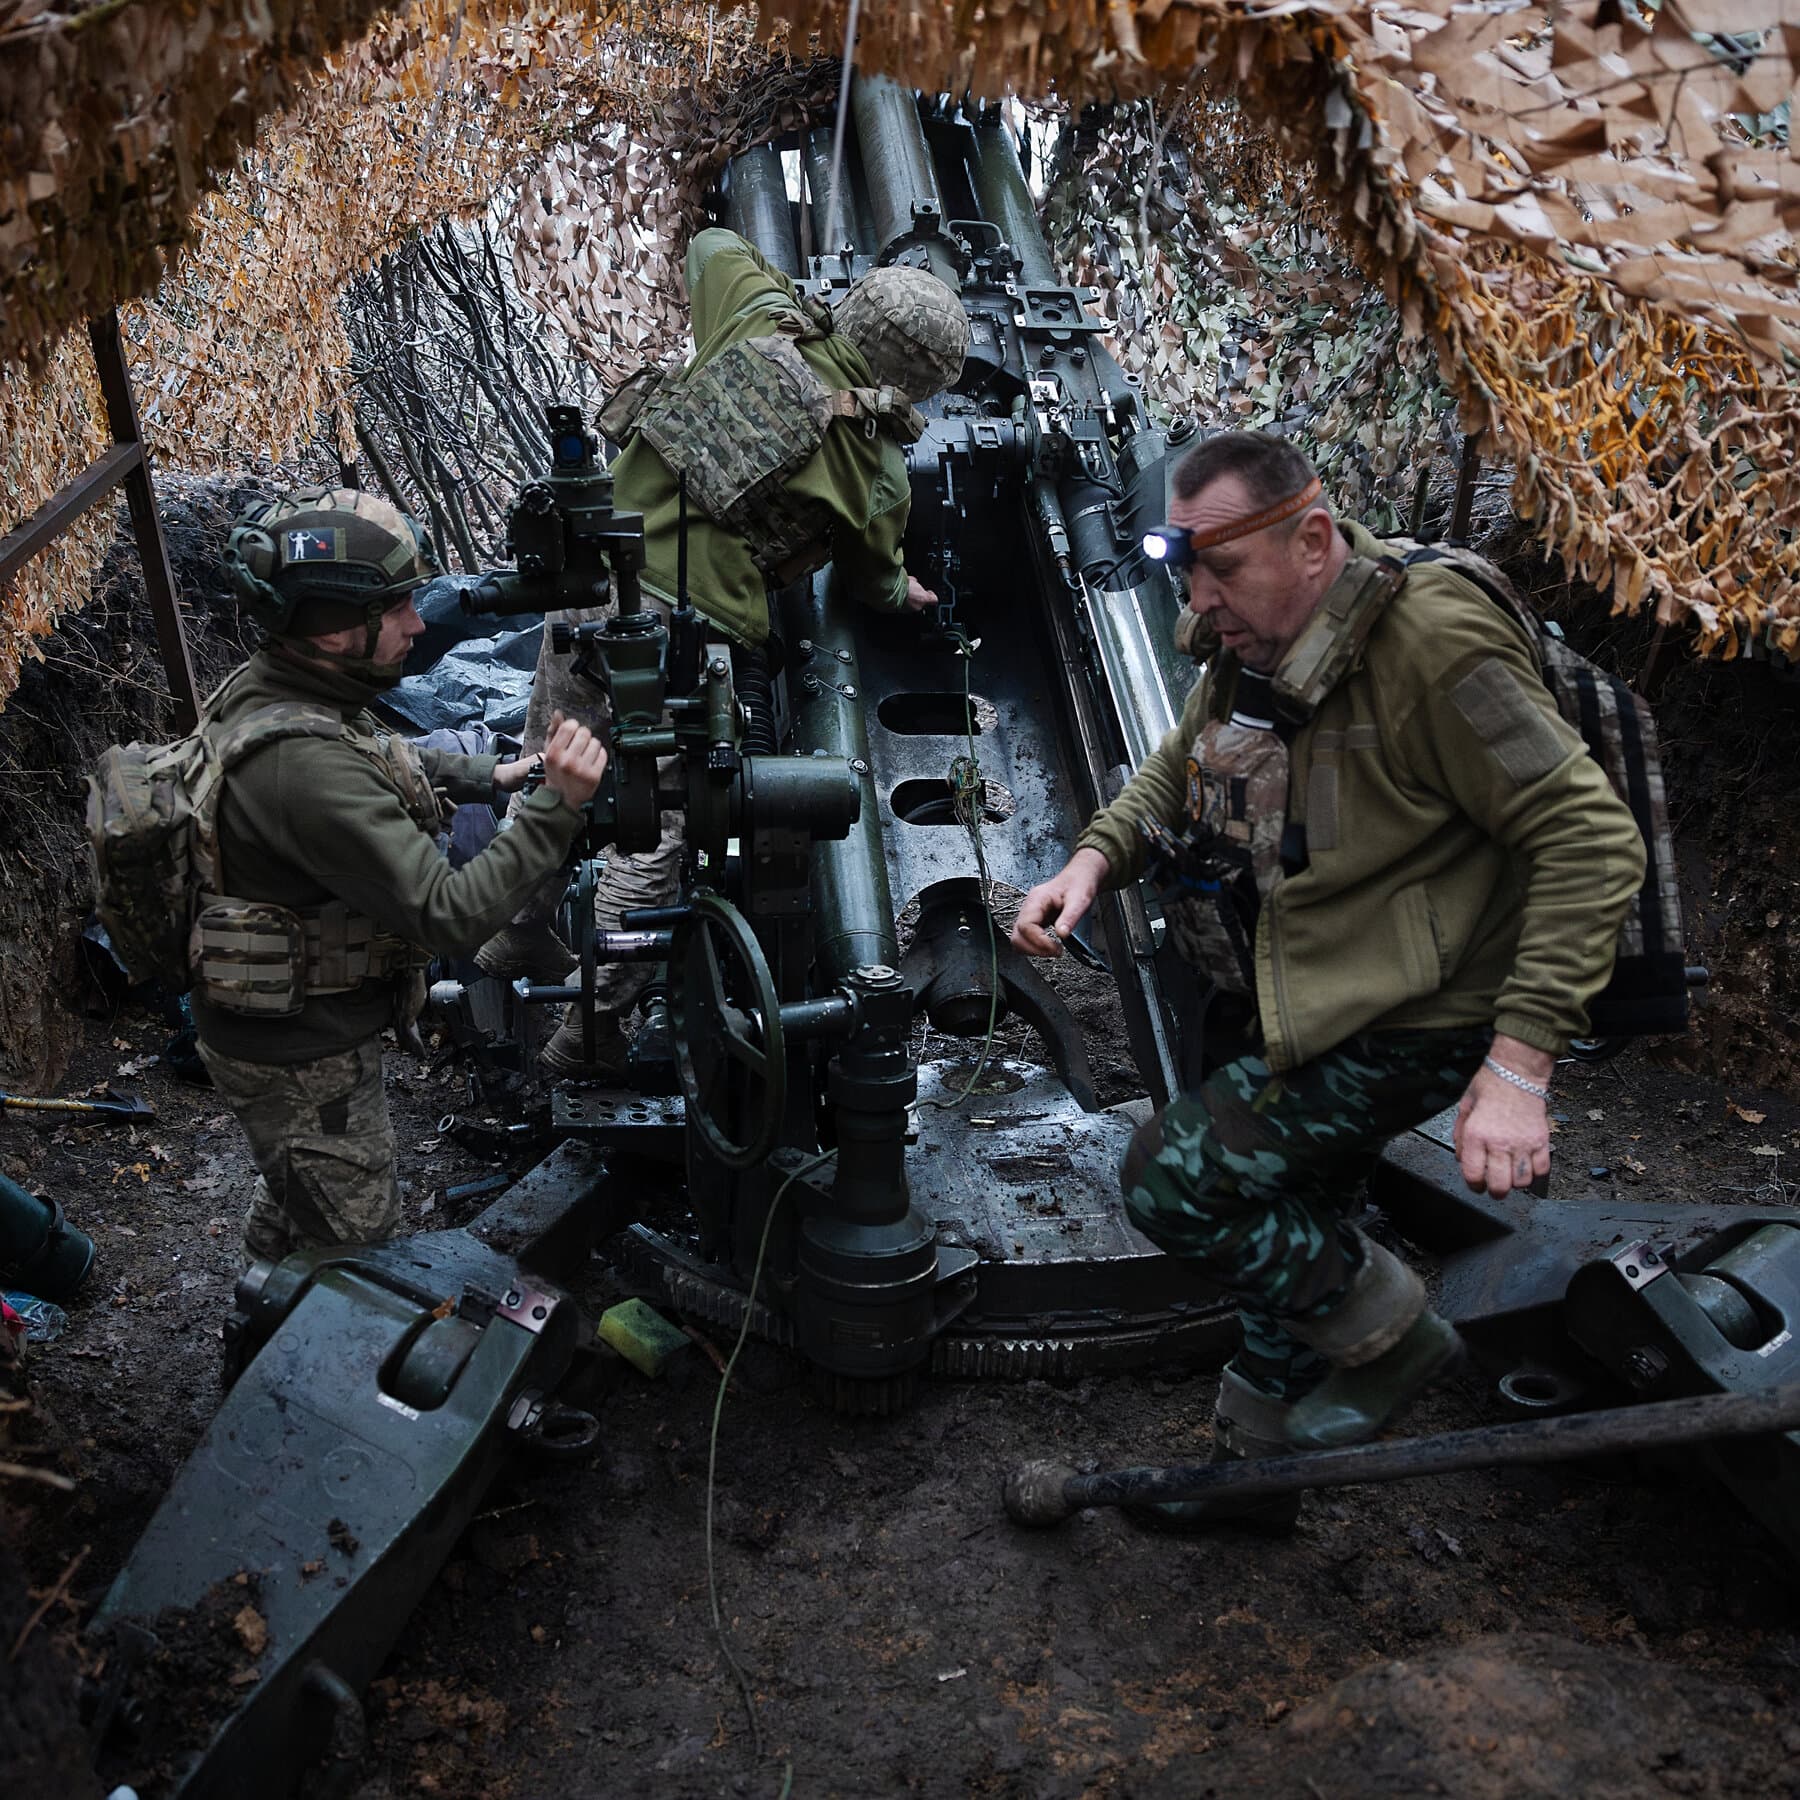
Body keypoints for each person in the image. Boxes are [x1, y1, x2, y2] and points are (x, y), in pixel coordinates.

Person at [1011, 430, 1645, 1530]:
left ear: (1312, 541)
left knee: (1174, 1175)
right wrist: (1095, 858)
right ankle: (1255, 1481)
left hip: (1419, 1015)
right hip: (1315, 990)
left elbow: (1588, 839)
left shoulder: (1432, 646)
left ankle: (1390, 1334)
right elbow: (1186, 758)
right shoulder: (1255, 635)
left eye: (1220, 568)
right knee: (1292, 1213)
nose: (1199, 600)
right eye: (1188, 573)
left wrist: (1519, 1069)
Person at [477, 226, 971, 1076]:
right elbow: (873, 581)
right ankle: (588, 1034)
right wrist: (909, 594)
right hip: (688, 633)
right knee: (658, 826)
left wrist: (797, 304)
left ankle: (511, 933)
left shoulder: (752, 312)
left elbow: (709, 244)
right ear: (918, 383)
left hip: (595, 580)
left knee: (550, 767)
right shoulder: (878, 467)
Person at [197, 487, 608, 1264]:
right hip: (302, 1054)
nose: (418, 625)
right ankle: (301, 1326)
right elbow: (449, 913)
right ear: (334, 629)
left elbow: (371, 753)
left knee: (297, 1185)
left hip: (278, 1029)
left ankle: (262, 1295)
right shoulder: (300, 770)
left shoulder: (281, 685)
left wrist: (490, 774)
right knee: (355, 1249)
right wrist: (556, 807)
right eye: (397, 609)